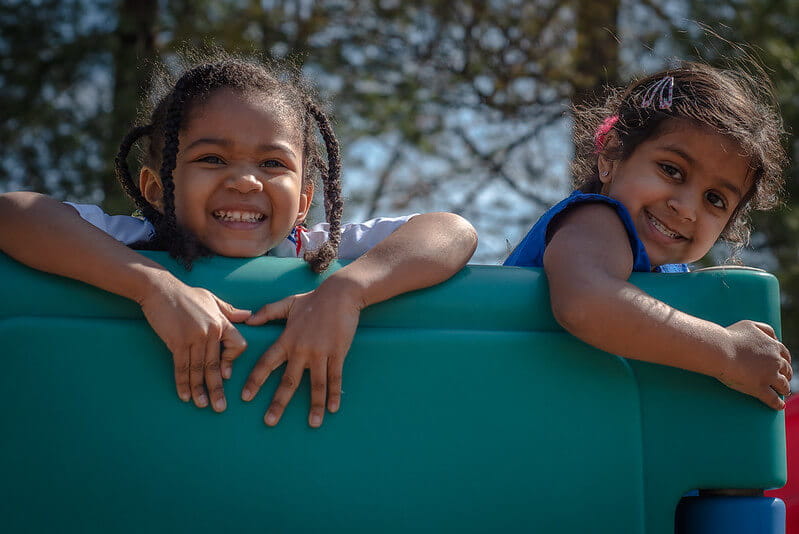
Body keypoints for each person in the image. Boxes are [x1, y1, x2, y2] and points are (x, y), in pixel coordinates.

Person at [0, 54, 477, 427]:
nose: (247, 182)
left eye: (273, 164)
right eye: (211, 159)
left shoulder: (314, 251)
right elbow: (13, 213)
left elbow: (452, 232)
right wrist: (153, 287)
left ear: (305, 197)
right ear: (155, 189)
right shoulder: (135, 243)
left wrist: (346, 292)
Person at [505, 62, 792, 409]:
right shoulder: (595, 220)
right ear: (611, 154)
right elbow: (584, 304)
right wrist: (726, 351)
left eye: (714, 199)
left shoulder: (673, 279)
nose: (686, 209)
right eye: (671, 170)